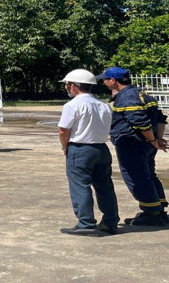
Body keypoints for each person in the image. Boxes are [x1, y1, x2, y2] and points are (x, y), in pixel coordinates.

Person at [97, 67, 169, 226]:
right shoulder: (142, 95)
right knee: (149, 175)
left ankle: (152, 213)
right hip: (146, 143)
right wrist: (157, 139)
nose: (103, 82)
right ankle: (158, 209)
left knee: (136, 177)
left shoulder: (126, 97)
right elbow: (160, 119)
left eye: (105, 79)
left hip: (132, 143)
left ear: (113, 81)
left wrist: (153, 140)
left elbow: (140, 122)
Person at [57, 69, 120, 236]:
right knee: (105, 186)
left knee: (80, 185)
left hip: (80, 148)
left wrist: (65, 147)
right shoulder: (103, 105)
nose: (66, 87)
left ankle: (86, 223)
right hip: (101, 148)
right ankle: (110, 221)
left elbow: (63, 130)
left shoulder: (72, 105)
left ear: (73, 86)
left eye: (67, 85)